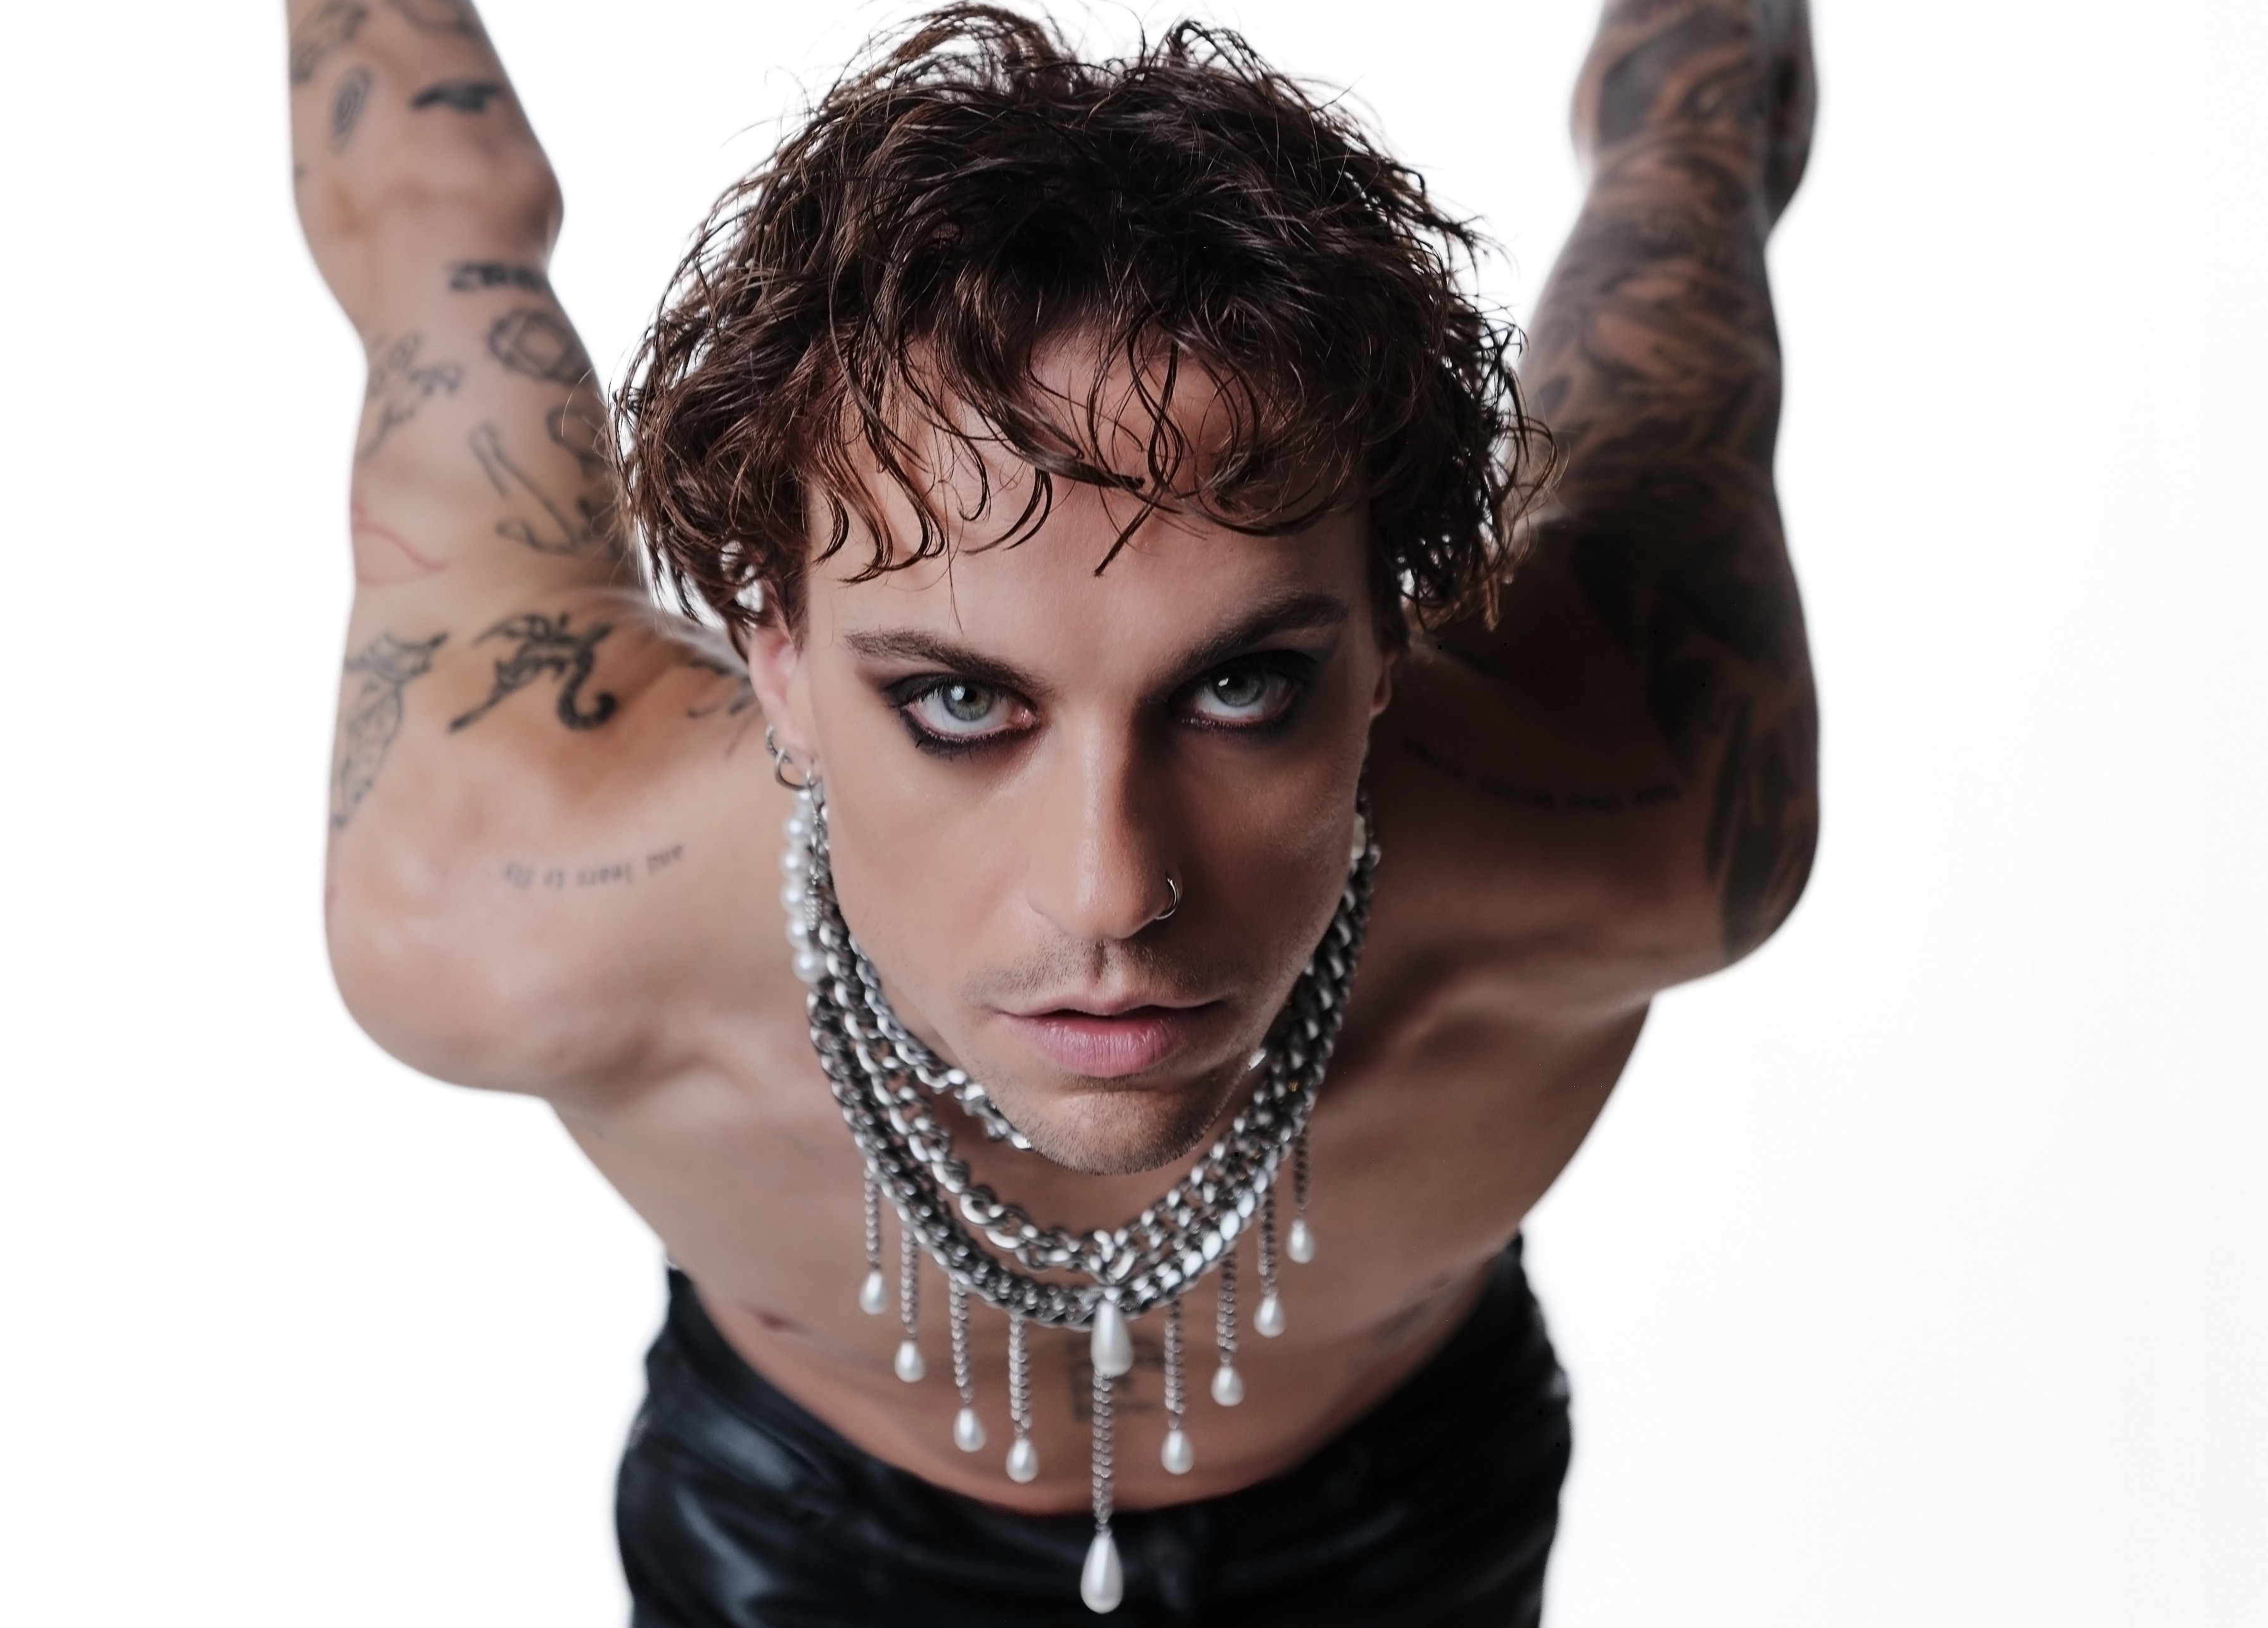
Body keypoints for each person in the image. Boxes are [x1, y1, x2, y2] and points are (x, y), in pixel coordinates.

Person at [284, 0, 1817, 1620]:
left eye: (1241, 687)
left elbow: (1691, 148)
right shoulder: (495, 898)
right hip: (801, 1535)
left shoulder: (1659, 809)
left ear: (1391, 634)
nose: (1109, 892)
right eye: (960, 702)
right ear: (777, 654)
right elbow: (436, 219)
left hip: (1403, 1516)